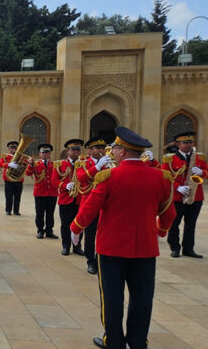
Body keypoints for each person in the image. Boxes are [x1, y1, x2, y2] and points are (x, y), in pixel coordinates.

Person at [70, 126, 176, 349]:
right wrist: (161, 231)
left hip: (112, 248)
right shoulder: (161, 177)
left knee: (112, 298)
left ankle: (114, 341)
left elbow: (90, 207)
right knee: (142, 298)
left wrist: (76, 228)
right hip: (146, 249)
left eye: (115, 148)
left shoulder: (109, 176)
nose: (112, 152)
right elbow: (169, 212)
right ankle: (138, 342)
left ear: (123, 151)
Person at [161, 132, 208, 258]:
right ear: (178, 144)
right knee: (174, 223)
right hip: (178, 196)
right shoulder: (170, 158)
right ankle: (175, 248)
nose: (189, 145)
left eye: (190, 142)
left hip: (195, 196)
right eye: (185, 143)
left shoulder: (199, 157)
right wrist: (177, 187)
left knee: (190, 224)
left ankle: (188, 249)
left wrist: (202, 172)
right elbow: (165, 177)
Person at [74, 138, 111, 274]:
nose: (101, 151)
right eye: (97, 148)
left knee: (104, 233)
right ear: (89, 150)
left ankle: (100, 258)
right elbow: (81, 178)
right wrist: (97, 167)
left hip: (106, 205)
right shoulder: (82, 163)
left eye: (103, 148)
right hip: (89, 203)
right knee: (90, 235)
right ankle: (90, 260)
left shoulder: (109, 164)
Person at [52, 139, 84, 257]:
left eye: (78, 150)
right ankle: (66, 246)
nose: (76, 152)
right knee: (66, 225)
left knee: (79, 224)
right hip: (66, 199)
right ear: (68, 151)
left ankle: (77, 246)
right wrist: (65, 185)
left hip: (80, 199)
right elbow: (54, 180)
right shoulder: (60, 164)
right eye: (74, 150)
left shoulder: (83, 163)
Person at [25, 144, 58, 240]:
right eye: (43, 152)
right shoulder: (35, 164)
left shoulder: (54, 164)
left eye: (47, 152)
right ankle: (40, 230)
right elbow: (28, 173)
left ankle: (49, 230)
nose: (45, 154)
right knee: (39, 213)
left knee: (50, 213)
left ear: (50, 154)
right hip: (40, 192)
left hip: (52, 192)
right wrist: (30, 165)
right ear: (39, 154)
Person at [0, 140, 26, 215]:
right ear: (9, 149)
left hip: (18, 179)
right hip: (8, 179)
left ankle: (16, 210)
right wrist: (8, 165)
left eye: (15, 147)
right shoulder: (5, 156)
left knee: (18, 196)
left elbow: (26, 164)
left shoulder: (21, 157)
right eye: (11, 148)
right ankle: (8, 210)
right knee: (8, 196)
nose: (13, 149)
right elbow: (0, 163)